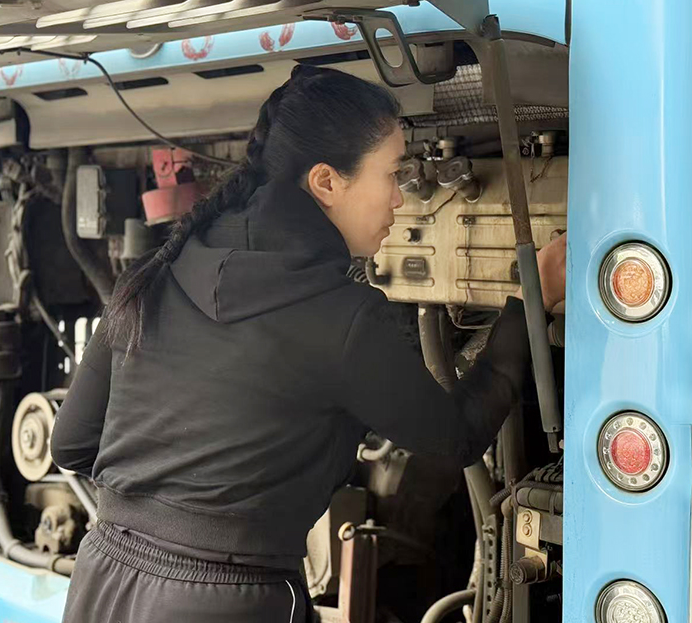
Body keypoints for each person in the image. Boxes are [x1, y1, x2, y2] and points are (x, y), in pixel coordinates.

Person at [50, 64, 566, 622]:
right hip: (229, 600)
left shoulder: (154, 273)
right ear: (325, 182)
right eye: (392, 174)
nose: (400, 199)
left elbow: (71, 446)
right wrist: (529, 302)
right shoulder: (343, 316)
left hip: (103, 579)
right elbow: (457, 437)